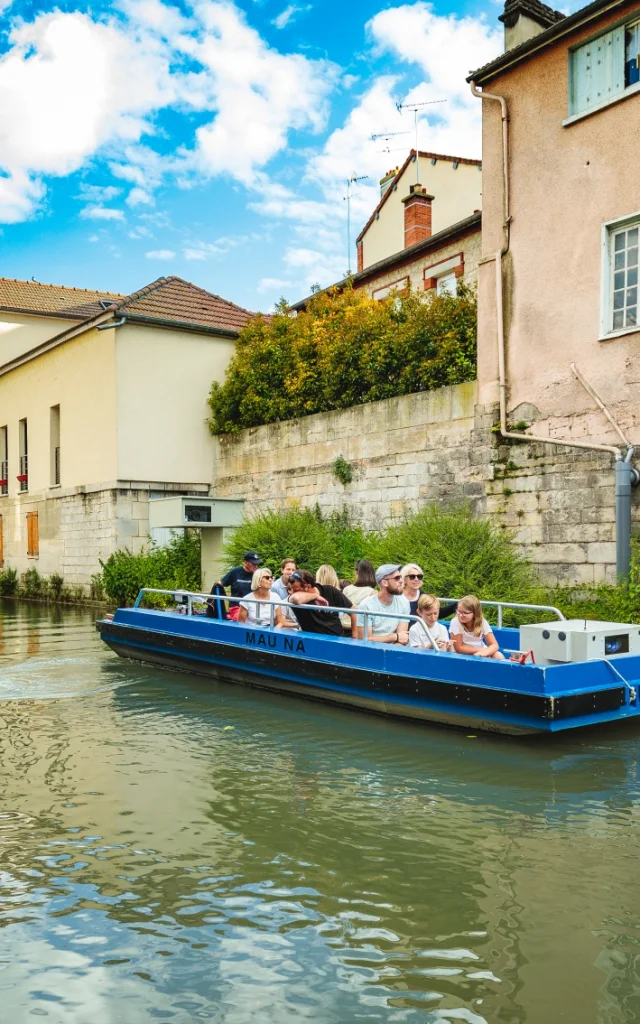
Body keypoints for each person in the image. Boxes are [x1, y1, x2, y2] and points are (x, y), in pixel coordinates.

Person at [288, 570, 355, 636]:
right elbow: (295, 598)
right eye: (291, 589)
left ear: (308, 586)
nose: (291, 593)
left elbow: (353, 611)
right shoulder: (296, 598)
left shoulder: (329, 590)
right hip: (313, 640)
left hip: (337, 639)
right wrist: (316, 596)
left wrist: (355, 637)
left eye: (296, 590)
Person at [356, 565, 410, 644]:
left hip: (394, 649)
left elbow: (402, 639)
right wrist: (394, 637)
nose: (401, 581)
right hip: (371, 650)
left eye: (401, 577)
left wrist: (392, 653)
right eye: (397, 578)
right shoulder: (366, 605)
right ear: (384, 582)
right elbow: (365, 640)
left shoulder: (404, 602)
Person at [449, 595, 505, 659]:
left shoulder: (482, 622)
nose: (461, 615)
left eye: (465, 613)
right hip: (462, 654)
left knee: (498, 655)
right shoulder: (455, 622)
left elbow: (494, 645)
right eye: (459, 611)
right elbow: (459, 648)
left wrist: (486, 652)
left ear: (475, 613)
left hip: (480, 651)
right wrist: (481, 651)